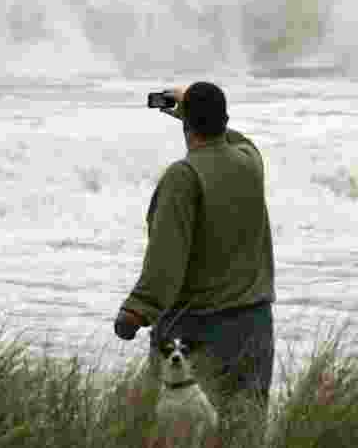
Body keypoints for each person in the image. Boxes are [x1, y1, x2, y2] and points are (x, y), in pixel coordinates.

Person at [113, 81, 276, 425]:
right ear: (224, 119)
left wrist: (136, 311)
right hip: (255, 326)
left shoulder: (183, 176)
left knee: (175, 433)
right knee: (245, 431)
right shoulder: (250, 161)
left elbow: (166, 260)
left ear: (186, 125)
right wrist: (191, 108)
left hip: (197, 330)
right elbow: (233, 137)